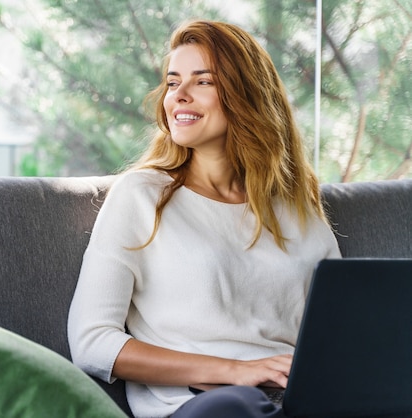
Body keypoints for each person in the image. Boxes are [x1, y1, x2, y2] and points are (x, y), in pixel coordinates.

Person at [67, 19, 341, 418]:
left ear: (246, 95)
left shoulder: (298, 209)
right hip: (204, 405)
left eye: (203, 82)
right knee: (238, 405)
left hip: (303, 399)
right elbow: (92, 342)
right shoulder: (143, 196)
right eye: (173, 81)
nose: (179, 95)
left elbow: (339, 335)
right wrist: (234, 371)